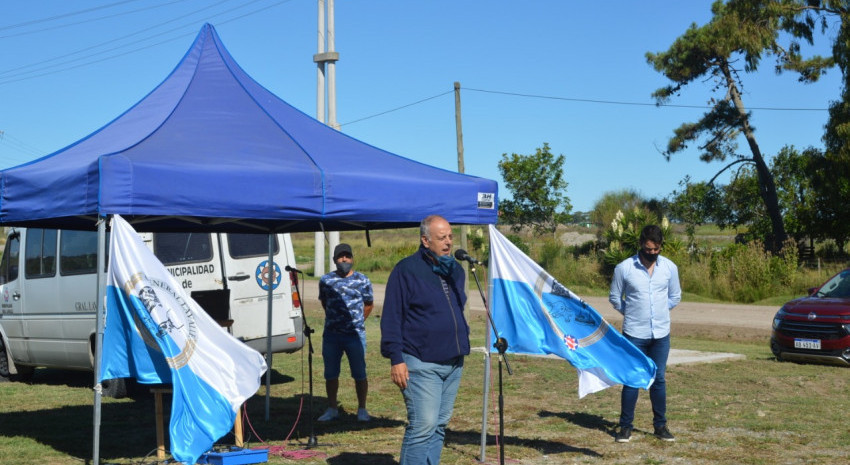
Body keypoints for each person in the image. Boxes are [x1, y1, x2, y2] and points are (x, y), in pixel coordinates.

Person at [380, 215, 470, 464]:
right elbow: (391, 317)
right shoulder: (406, 270)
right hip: (420, 360)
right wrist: (396, 358)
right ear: (425, 240)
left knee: (439, 425)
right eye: (442, 238)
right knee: (423, 425)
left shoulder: (455, 270)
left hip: (453, 361)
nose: (448, 242)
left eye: (450, 236)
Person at [609, 224, 681, 443]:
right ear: (641, 244)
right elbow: (615, 297)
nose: (652, 254)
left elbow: (675, 296)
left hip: (661, 334)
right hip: (634, 334)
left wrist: (658, 311)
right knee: (631, 379)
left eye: (656, 250)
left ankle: (660, 426)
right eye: (648, 249)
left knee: (658, 379)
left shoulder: (669, 268)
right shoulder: (624, 268)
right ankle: (625, 427)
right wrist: (631, 312)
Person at [317, 243, 374, 422]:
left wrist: (355, 322)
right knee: (331, 374)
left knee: (359, 373)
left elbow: (369, 304)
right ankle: (332, 408)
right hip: (332, 335)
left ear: (352, 259)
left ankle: (362, 409)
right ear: (334, 260)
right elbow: (324, 302)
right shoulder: (326, 280)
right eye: (340, 257)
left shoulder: (362, 280)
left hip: (354, 335)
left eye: (347, 256)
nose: (344, 260)